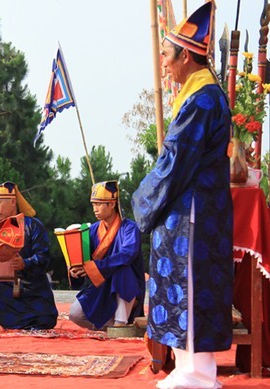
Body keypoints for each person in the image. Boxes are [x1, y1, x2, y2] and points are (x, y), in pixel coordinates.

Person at [131, 2, 233, 388]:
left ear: (186, 55)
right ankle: (188, 369)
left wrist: (140, 204)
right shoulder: (199, 96)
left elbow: (174, 163)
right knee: (186, 288)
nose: (164, 64)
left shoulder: (202, 99)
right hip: (192, 211)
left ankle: (197, 375)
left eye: (167, 56)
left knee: (190, 289)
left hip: (192, 214)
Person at [68, 180, 145, 330]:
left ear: (112, 204)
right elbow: (84, 258)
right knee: (75, 314)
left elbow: (127, 254)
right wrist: (75, 269)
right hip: (102, 285)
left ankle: (121, 321)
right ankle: (111, 328)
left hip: (126, 285)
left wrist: (95, 266)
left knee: (122, 268)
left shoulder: (129, 228)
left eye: (99, 204)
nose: (95, 209)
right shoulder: (92, 230)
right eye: (93, 205)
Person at [0, 181, 57, 329]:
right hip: (6, 294)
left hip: (33, 290)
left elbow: (44, 258)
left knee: (44, 319)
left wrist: (25, 263)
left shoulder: (33, 225)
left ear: (13, 201)